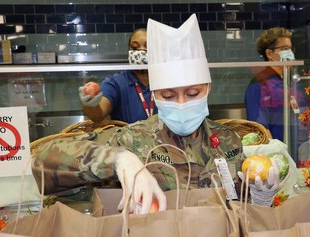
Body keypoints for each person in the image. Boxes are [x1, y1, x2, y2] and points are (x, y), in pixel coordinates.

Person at [32, 14, 278, 214]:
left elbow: (239, 208)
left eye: (192, 93)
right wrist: (119, 160)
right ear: (155, 95)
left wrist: (260, 200)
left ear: (208, 89)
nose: (181, 103)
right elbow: (41, 162)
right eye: (169, 96)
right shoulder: (133, 140)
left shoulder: (228, 141)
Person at [79, 28, 157, 123]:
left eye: (147, 47)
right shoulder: (115, 83)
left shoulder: (167, 81)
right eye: (135, 48)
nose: (141, 52)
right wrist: (91, 105)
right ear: (128, 51)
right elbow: (98, 115)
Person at [244, 27, 305, 142]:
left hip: (295, 147)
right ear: (269, 53)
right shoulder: (259, 85)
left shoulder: (289, 81)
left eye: (290, 48)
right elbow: (260, 130)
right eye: (284, 48)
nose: (290, 53)